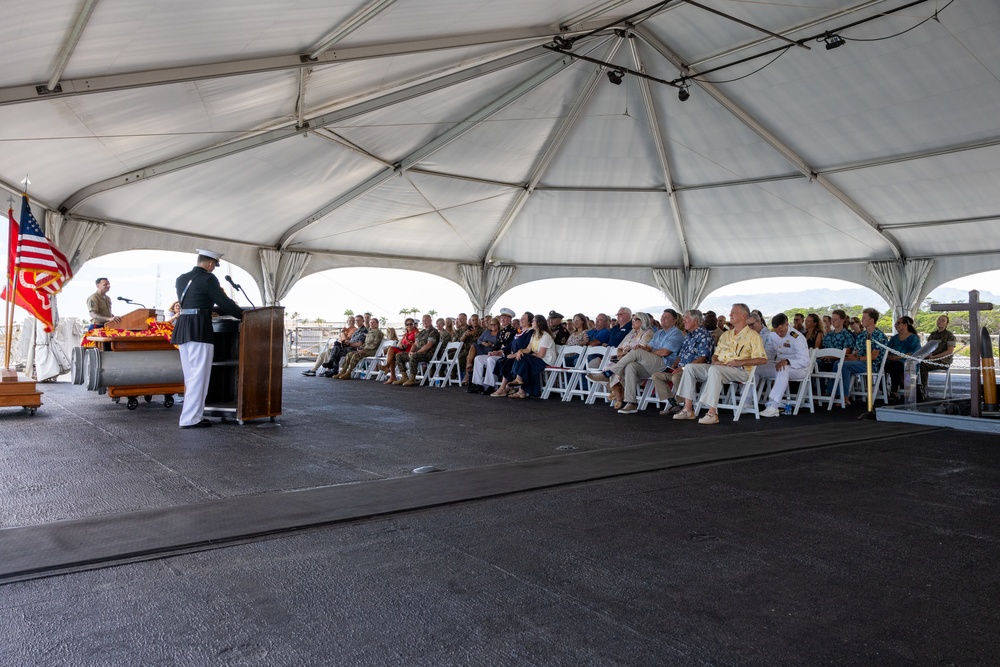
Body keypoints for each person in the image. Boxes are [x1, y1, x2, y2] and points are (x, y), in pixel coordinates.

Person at [171, 249, 243, 429]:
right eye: (214, 265)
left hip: (183, 328)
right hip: (199, 329)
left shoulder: (181, 278)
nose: (214, 269)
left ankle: (191, 416)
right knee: (199, 376)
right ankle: (191, 418)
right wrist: (242, 314)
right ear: (210, 264)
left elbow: (192, 301)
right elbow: (223, 301)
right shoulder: (208, 278)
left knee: (190, 376)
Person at [673, 303, 768, 425]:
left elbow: (763, 359)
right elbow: (715, 354)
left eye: (733, 313)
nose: (730, 315)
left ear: (743, 315)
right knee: (690, 367)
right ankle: (687, 409)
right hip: (719, 368)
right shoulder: (726, 334)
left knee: (715, 370)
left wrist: (741, 361)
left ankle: (712, 413)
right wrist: (714, 360)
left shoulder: (753, 336)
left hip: (740, 370)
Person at [608, 310, 684, 415]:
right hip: (652, 364)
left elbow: (664, 352)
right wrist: (643, 348)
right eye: (662, 316)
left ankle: (610, 372)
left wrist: (645, 351)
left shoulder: (677, 333)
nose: (662, 319)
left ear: (674, 321)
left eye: (666, 317)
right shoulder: (658, 333)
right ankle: (631, 402)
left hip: (665, 365)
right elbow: (648, 348)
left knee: (637, 352)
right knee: (631, 366)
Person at [652, 309, 714, 415]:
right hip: (680, 369)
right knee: (656, 375)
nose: (684, 321)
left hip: (695, 370)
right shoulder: (688, 336)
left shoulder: (704, 335)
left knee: (676, 377)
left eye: (686, 319)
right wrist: (673, 366)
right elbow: (681, 356)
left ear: (695, 320)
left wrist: (681, 368)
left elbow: (702, 359)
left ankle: (685, 406)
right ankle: (674, 404)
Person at [757, 313, 812, 417]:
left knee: (783, 368)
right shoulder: (773, 335)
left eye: (781, 331)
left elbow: (805, 360)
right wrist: (760, 358)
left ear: (787, 324)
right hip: (780, 365)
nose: (779, 334)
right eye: (776, 331)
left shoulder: (797, 337)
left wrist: (788, 361)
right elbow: (770, 352)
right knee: (757, 368)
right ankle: (747, 401)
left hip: (799, 369)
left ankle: (773, 406)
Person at [840, 307, 889, 406]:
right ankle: (835, 394)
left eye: (864, 318)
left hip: (872, 365)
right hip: (859, 362)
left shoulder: (880, 336)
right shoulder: (862, 335)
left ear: (872, 320)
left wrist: (856, 358)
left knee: (844, 365)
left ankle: (843, 396)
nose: (862, 320)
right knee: (838, 362)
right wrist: (843, 356)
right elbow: (856, 353)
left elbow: (874, 356)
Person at [506, 315, 557, 399]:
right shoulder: (534, 335)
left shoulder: (545, 336)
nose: (532, 322)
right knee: (523, 357)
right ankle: (521, 388)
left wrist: (531, 355)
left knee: (524, 360)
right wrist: (521, 351)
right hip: (537, 358)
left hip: (546, 360)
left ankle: (519, 385)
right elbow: (528, 349)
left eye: (533, 321)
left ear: (538, 323)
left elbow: (541, 355)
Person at [471, 308, 516, 394]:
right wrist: (493, 351)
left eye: (506, 318)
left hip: (506, 355)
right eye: (502, 317)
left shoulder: (513, 331)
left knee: (490, 359)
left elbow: (511, 346)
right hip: (498, 353)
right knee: (478, 358)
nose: (503, 319)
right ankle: (478, 384)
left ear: (510, 319)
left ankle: (490, 385)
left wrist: (500, 351)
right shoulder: (501, 332)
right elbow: (498, 345)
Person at [394, 314, 439, 386]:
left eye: (426, 320)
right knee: (399, 355)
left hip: (428, 354)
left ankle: (412, 379)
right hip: (417, 353)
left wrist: (416, 352)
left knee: (413, 356)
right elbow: (415, 344)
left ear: (431, 321)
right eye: (423, 321)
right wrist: (411, 351)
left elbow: (429, 345)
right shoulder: (422, 332)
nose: (424, 322)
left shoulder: (433, 331)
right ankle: (404, 377)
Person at [885, 315, 921, 397]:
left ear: (905, 325)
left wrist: (899, 357)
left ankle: (894, 390)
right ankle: (882, 389)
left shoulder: (913, 338)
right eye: (895, 324)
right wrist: (887, 357)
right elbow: (887, 349)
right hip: (892, 360)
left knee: (895, 365)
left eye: (898, 323)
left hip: (906, 362)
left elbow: (914, 352)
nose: (896, 325)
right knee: (882, 365)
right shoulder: (894, 338)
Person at [920, 315, 957, 395]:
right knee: (915, 362)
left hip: (943, 361)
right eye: (939, 320)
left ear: (946, 324)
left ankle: (922, 389)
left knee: (922, 364)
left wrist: (934, 357)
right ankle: (914, 387)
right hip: (931, 358)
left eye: (943, 320)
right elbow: (928, 348)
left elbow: (949, 351)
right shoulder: (932, 335)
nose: (940, 321)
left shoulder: (950, 336)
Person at [379, 318, 417, 384]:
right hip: (403, 349)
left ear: (414, 324)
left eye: (411, 324)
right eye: (407, 324)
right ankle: (392, 376)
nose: (409, 326)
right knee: (392, 352)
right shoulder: (406, 334)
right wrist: (400, 345)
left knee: (391, 350)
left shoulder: (416, 333)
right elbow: (400, 342)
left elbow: (416, 344)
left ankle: (388, 369)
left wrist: (408, 341)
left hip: (410, 350)